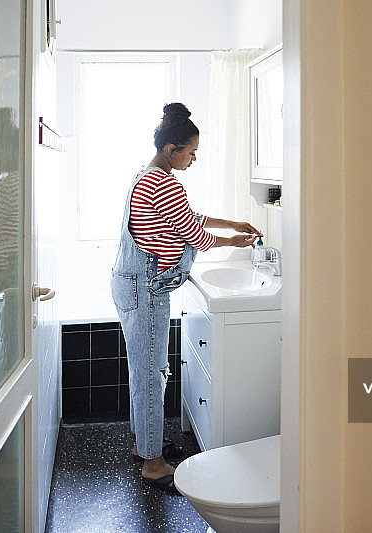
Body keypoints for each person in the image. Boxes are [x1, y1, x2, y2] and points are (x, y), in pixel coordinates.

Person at [110, 102, 262, 493]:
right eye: (190, 153)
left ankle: (145, 444)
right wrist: (235, 240)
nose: (193, 160)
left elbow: (188, 217)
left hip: (134, 282)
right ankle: (153, 464)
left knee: (144, 372)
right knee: (149, 375)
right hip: (145, 289)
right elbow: (195, 235)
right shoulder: (163, 182)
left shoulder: (145, 175)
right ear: (171, 149)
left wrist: (231, 222)